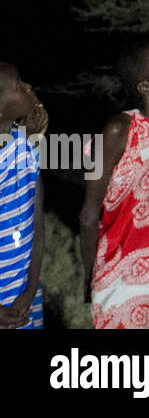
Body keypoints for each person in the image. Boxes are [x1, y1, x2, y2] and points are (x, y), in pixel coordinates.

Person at [80, 40, 149, 329]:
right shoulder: (118, 130)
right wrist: (90, 275)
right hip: (120, 279)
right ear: (145, 87)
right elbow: (89, 215)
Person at [0, 63, 48, 329]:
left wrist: (30, 290)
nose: (27, 87)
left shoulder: (27, 148)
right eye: (18, 84)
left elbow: (37, 227)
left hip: (24, 294)